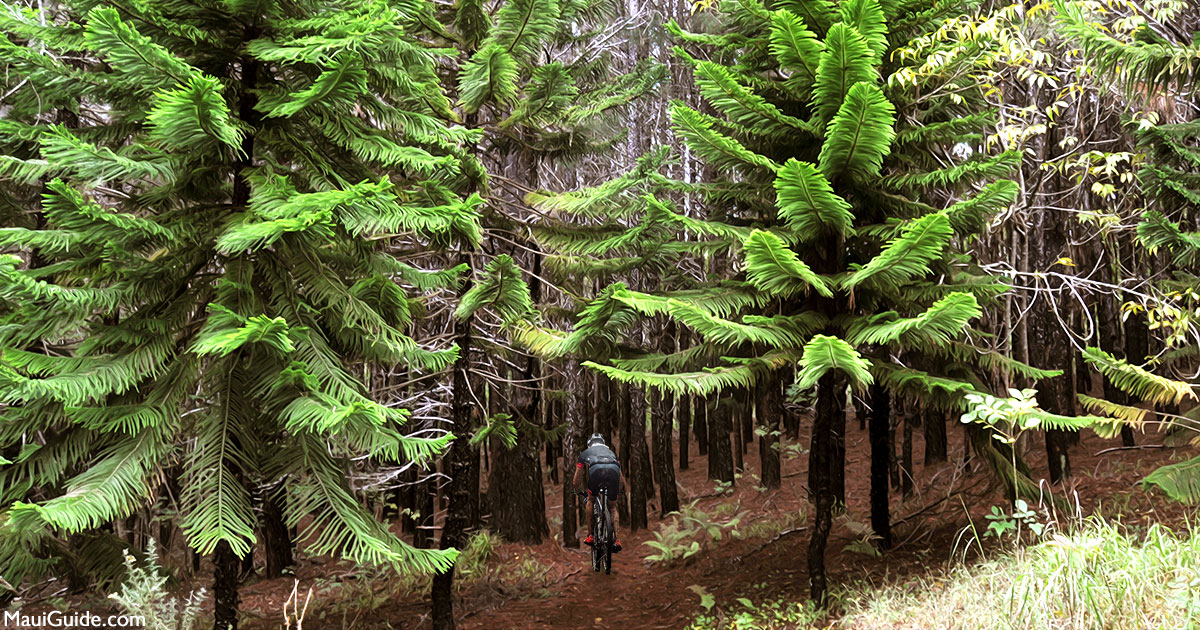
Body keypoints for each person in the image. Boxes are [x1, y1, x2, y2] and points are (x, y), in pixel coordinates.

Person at [572, 433, 626, 551]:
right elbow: (621, 478)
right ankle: (616, 539)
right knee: (612, 508)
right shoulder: (611, 453)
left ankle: (591, 536)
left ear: (589, 444)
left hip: (596, 472)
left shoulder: (585, 453)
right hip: (613, 472)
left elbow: (577, 479)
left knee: (590, 500)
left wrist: (577, 490)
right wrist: (621, 489)